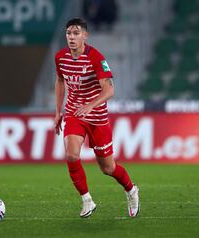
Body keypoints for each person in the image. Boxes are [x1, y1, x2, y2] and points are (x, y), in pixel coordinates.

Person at [54, 18, 140, 218]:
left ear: (85, 36)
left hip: (98, 118)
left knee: (108, 168)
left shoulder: (95, 57)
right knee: (72, 155)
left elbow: (109, 89)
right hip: (75, 114)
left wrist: (91, 105)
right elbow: (60, 81)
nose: (72, 37)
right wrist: (58, 111)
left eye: (76, 33)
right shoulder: (60, 57)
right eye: (69, 33)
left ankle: (131, 190)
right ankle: (87, 201)